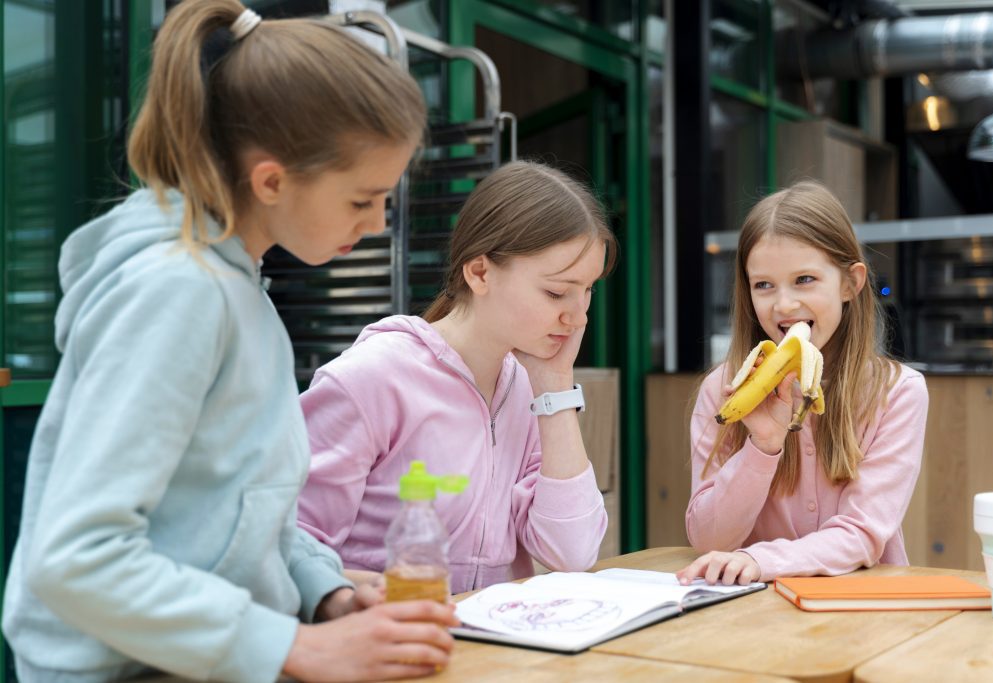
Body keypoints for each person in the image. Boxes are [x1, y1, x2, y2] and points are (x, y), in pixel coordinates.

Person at [1, 2, 458, 681]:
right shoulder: (179, 292)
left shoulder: (240, 290)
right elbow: (78, 556)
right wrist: (296, 647)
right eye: (363, 199)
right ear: (271, 180)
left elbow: (242, 515)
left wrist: (324, 593)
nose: (376, 223)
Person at [298, 161, 615, 593]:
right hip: (389, 641)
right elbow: (290, 549)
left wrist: (556, 385)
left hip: (496, 647)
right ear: (479, 272)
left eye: (588, 290)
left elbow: (572, 552)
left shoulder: (526, 385)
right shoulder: (370, 379)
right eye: (557, 292)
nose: (577, 317)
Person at [677, 181, 927, 587]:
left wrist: (763, 560)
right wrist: (762, 446)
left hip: (864, 612)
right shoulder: (722, 391)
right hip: (754, 614)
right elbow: (708, 539)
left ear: (851, 283)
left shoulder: (897, 392)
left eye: (805, 279)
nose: (784, 305)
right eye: (764, 285)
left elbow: (864, 533)